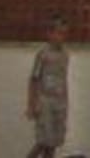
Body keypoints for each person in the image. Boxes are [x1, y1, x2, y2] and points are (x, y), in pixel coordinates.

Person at [23, 17, 68, 158]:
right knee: (43, 141)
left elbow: (64, 80)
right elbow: (34, 79)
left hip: (59, 103)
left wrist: (66, 102)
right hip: (45, 101)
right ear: (49, 33)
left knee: (53, 143)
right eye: (59, 33)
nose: (62, 37)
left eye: (64, 33)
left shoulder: (65, 54)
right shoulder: (42, 54)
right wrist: (31, 104)